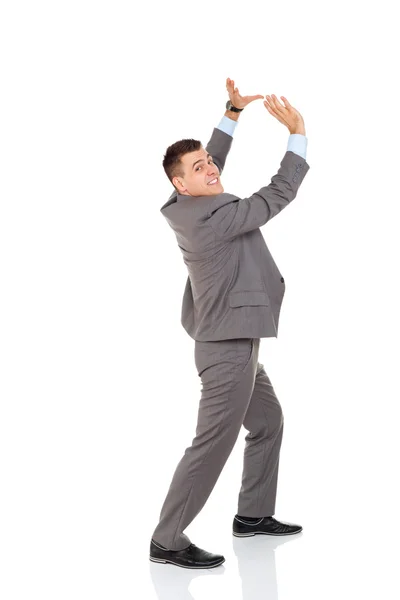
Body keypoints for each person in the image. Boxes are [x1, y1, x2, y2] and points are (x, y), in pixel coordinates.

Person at [150, 78, 310, 569]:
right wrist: (297, 135)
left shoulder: (184, 205)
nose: (211, 169)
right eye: (199, 168)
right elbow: (278, 193)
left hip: (232, 341)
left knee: (267, 422)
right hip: (227, 348)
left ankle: (253, 516)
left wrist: (232, 114)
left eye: (209, 162)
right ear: (181, 183)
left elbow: (204, 164)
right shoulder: (217, 216)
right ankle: (168, 540)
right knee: (210, 446)